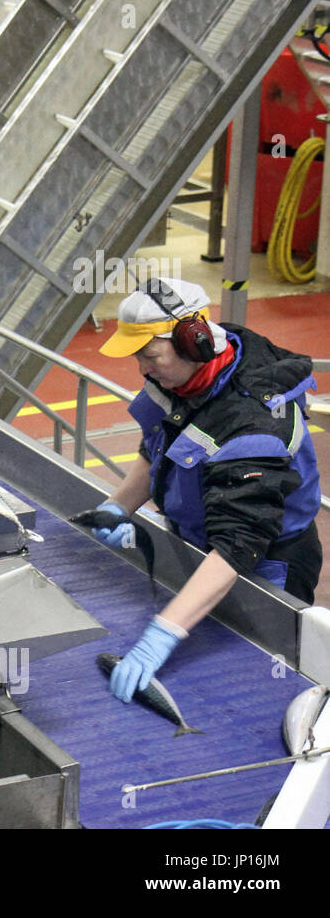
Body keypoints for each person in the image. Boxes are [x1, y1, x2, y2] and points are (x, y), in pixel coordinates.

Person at [92, 277, 322, 703]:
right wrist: (117, 507)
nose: (143, 368)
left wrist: (160, 636)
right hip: (200, 546)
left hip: (265, 561)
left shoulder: (252, 423)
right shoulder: (181, 377)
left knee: (249, 686)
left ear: (192, 341)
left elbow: (238, 545)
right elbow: (161, 445)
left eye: (149, 354)